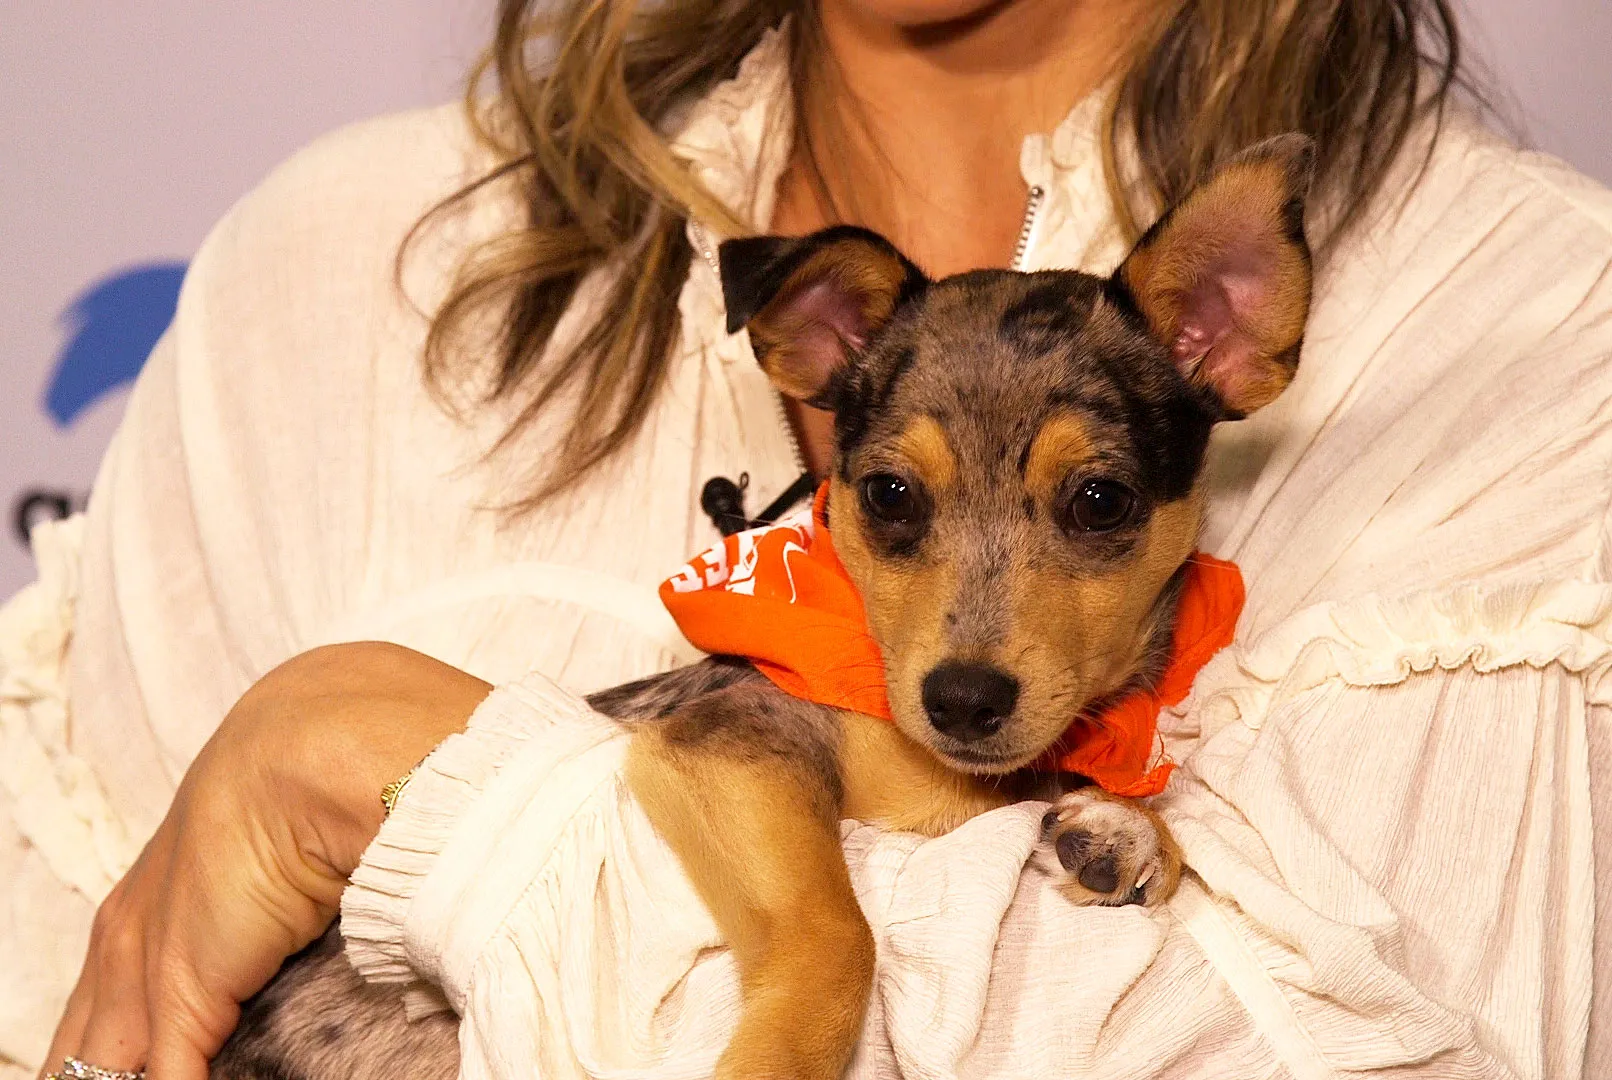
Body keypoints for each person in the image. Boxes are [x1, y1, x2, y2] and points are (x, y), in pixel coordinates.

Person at [4, 0, 1611, 1076]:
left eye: (1095, 505)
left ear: (1237, 332)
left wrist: (408, 768)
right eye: (894, 503)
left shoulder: (1529, 321)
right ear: (804, 347)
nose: (978, 628)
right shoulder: (351, 265)